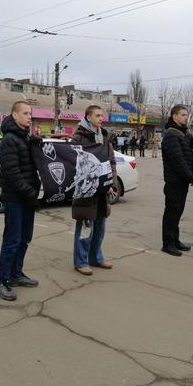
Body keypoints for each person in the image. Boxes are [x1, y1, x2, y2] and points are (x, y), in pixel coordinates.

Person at [0, 101, 41, 301]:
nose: (29, 117)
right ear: (14, 115)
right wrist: (30, 192)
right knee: (12, 240)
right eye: (25, 113)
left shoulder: (25, 138)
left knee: (24, 238)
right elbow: (12, 172)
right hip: (15, 198)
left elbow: (30, 167)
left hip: (27, 197)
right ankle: (2, 281)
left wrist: (37, 146)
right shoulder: (8, 140)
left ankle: (16, 274)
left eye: (30, 113)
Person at [71, 105, 117, 276]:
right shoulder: (79, 137)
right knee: (85, 226)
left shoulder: (104, 137)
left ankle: (96, 257)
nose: (101, 118)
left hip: (102, 190)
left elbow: (111, 161)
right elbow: (74, 162)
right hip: (86, 190)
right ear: (88, 117)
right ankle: (80, 262)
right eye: (97, 115)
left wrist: (111, 183)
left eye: (102, 115)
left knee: (100, 227)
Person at [161, 105, 193, 256]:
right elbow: (178, 160)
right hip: (174, 182)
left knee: (178, 212)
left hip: (182, 182)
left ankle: (175, 240)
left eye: (186, 115)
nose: (185, 117)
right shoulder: (171, 135)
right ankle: (167, 244)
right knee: (171, 213)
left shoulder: (183, 133)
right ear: (174, 116)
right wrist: (191, 177)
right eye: (182, 115)